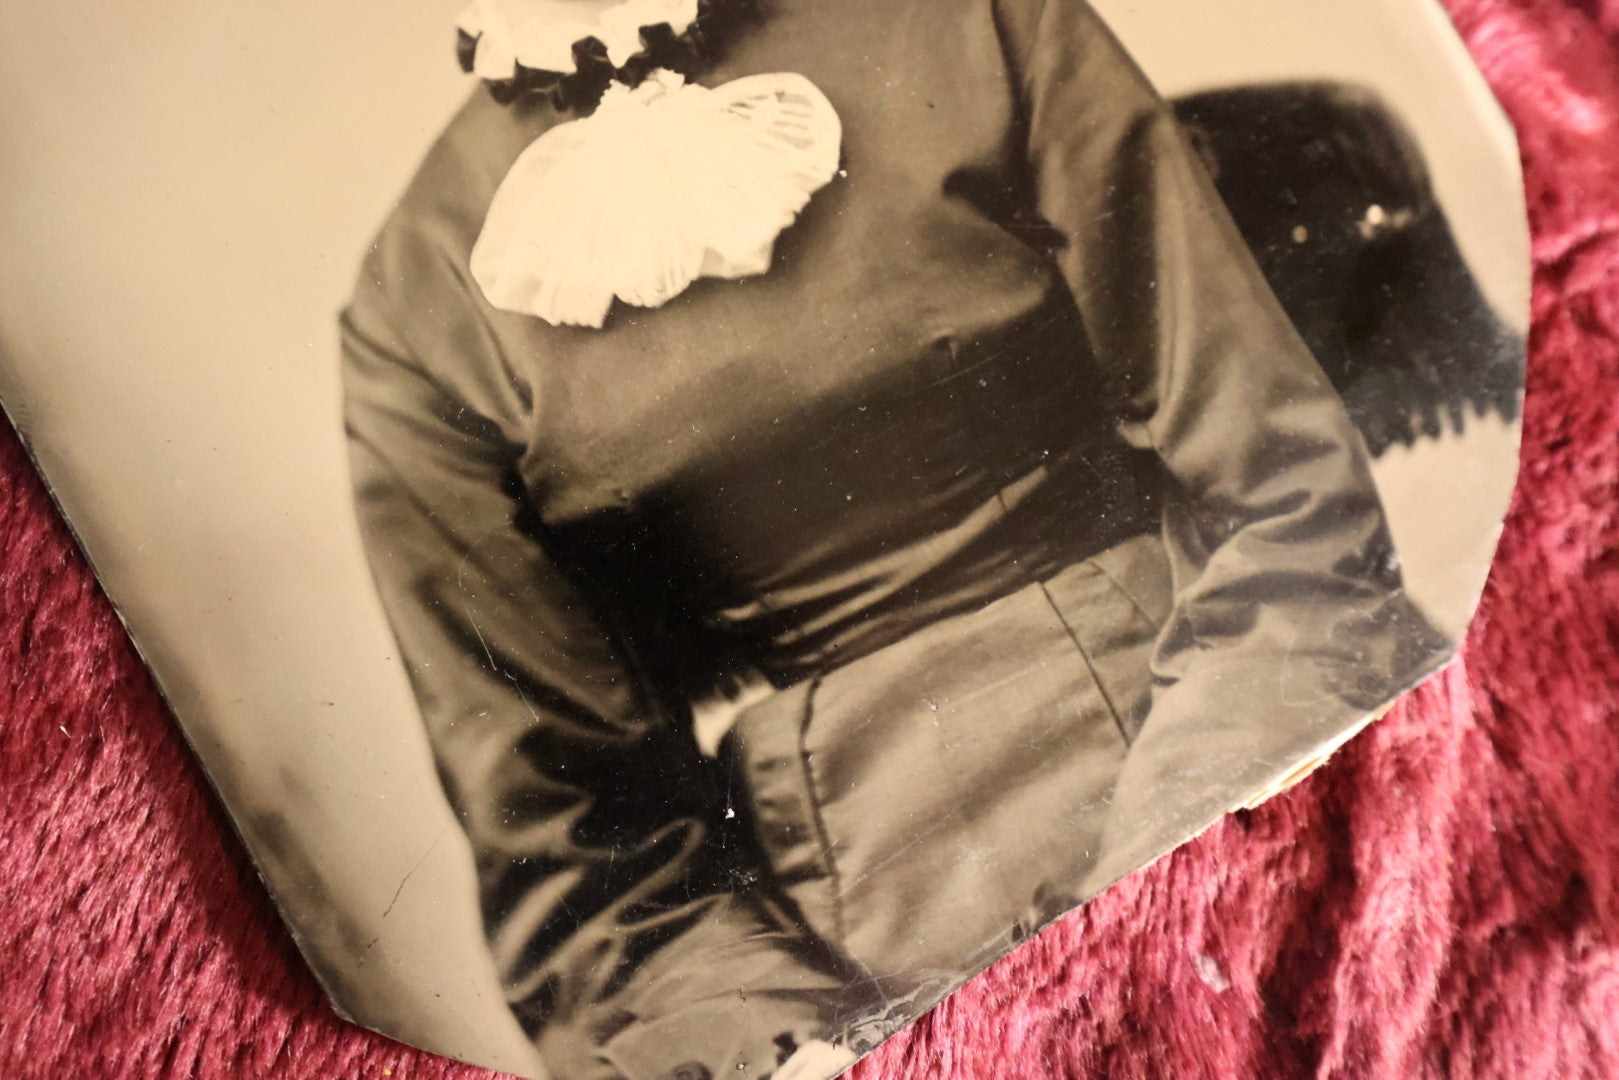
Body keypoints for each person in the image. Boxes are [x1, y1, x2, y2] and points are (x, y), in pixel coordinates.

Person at [340, 1, 1452, 1077]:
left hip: (1202, 730)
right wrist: (821, 1045)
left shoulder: (975, 17)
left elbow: (1281, 490)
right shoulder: (415, 303)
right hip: (844, 926)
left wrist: (1157, 895)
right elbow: (579, 862)